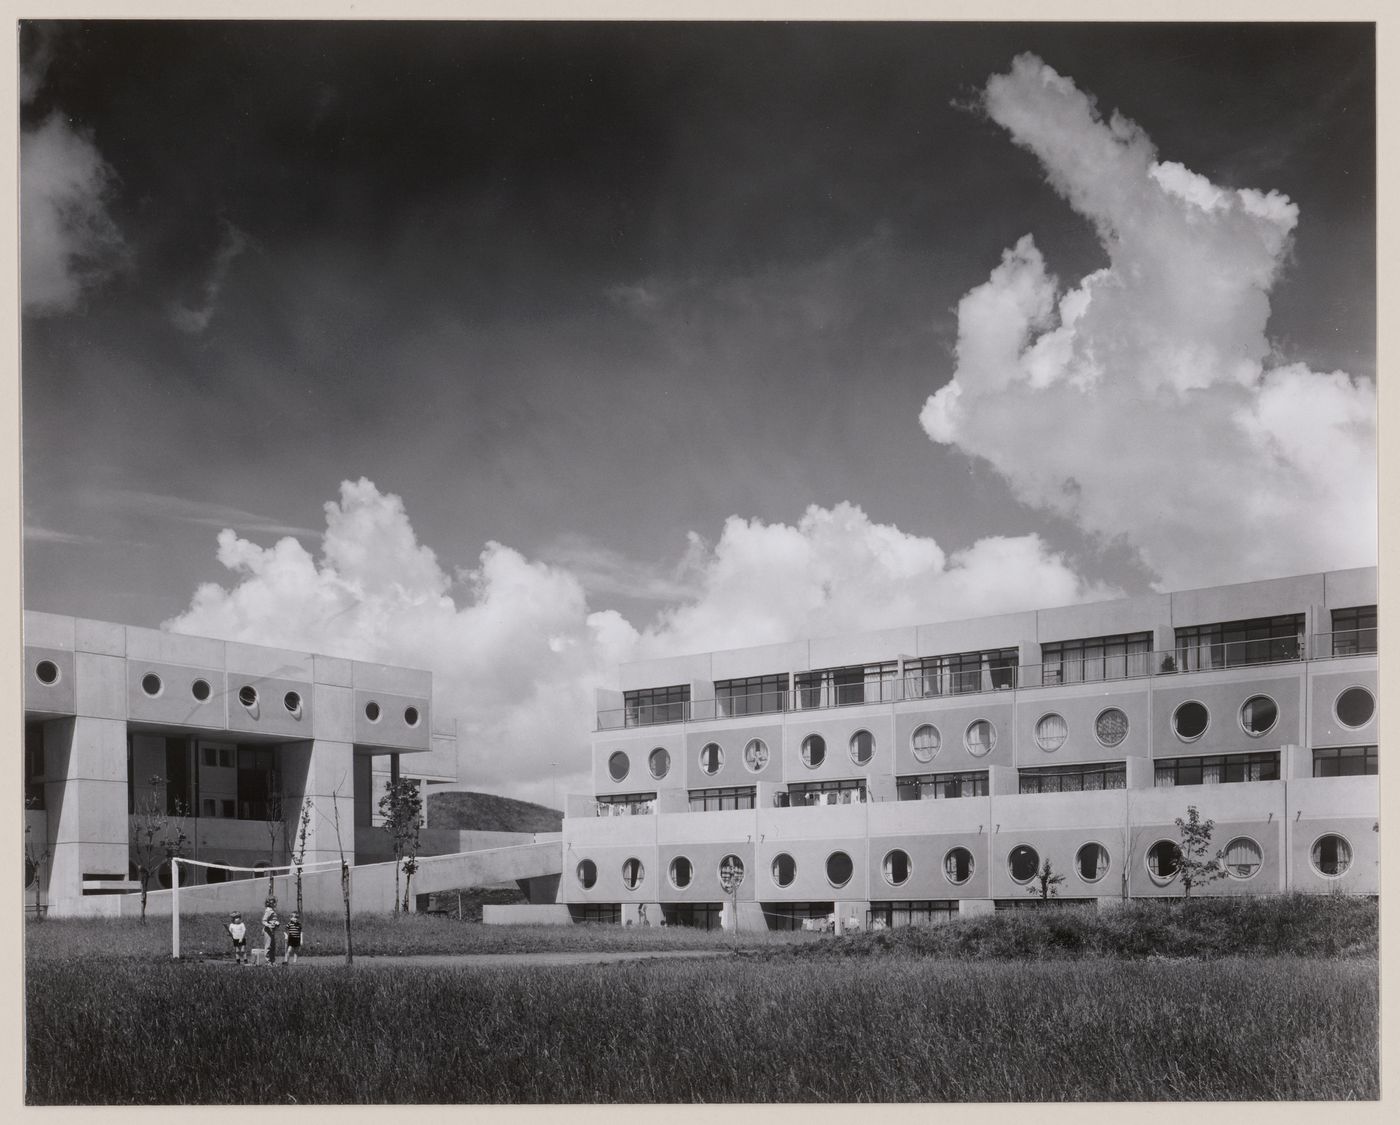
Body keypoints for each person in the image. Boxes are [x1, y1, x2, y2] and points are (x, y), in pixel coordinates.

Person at [261, 896, 280, 965]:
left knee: (272, 946)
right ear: (269, 903)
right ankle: (268, 961)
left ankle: (272, 961)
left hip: (272, 930)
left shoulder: (272, 910)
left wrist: (276, 923)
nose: (275, 904)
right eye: (273, 902)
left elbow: (272, 920)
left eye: (275, 902)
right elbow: (264, 921)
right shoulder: (269, 911)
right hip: (268, 930)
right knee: (268, 946)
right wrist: (269, 925)